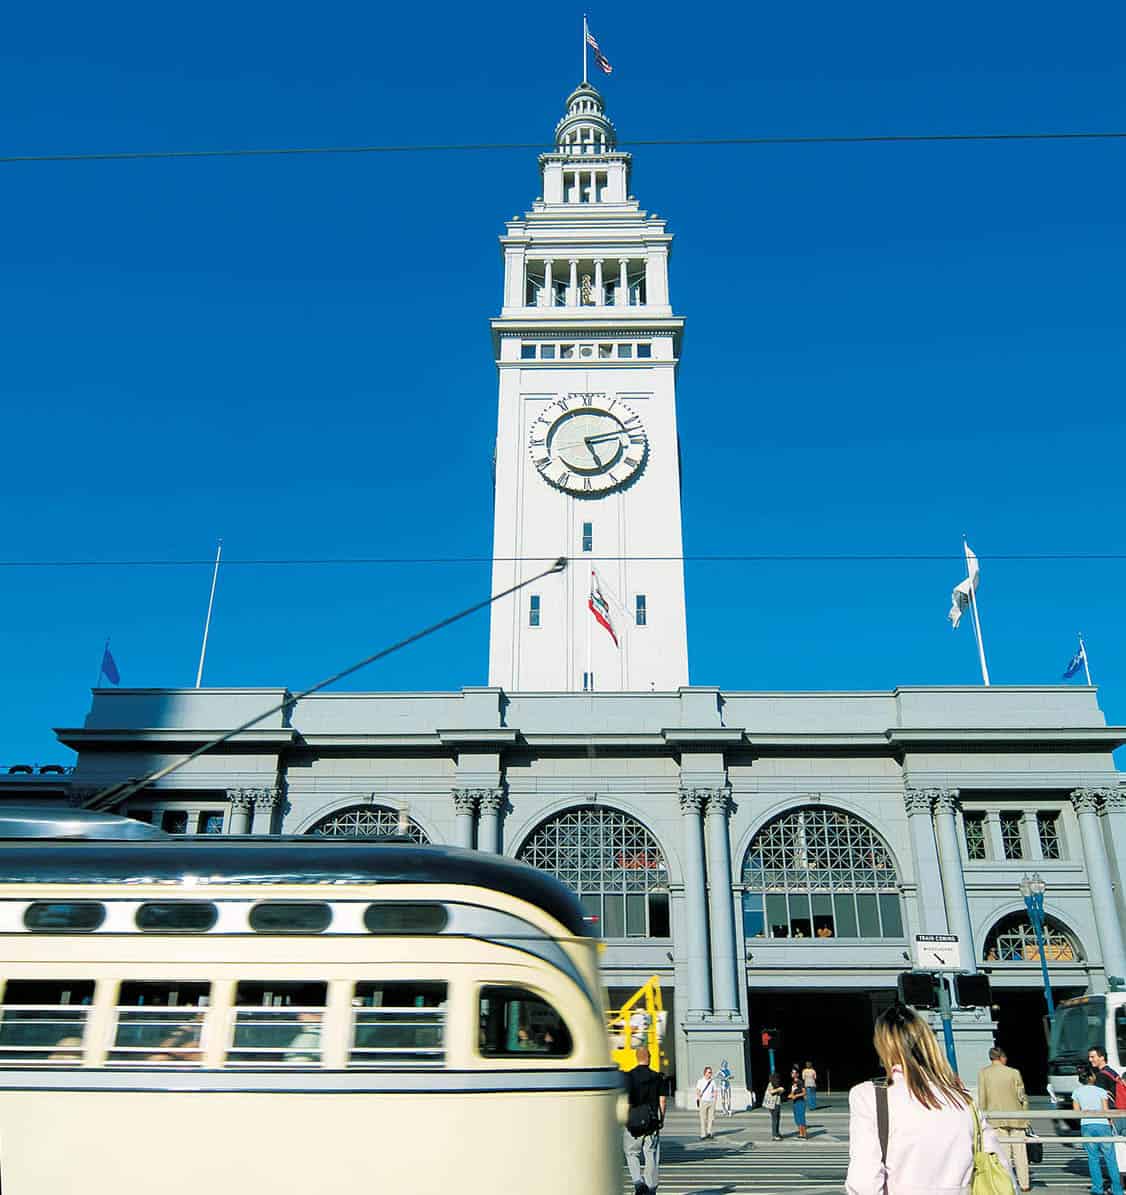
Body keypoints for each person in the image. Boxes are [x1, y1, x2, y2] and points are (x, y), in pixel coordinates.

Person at [845, 1003, 1013, 1194]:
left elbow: (864, 1181)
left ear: (884, 1047)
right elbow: (1001, 1168)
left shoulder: (869, 1096)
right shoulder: (964, 1100)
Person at [977, 1047, 1030, 1192]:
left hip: (995, 1119)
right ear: (1001, 1057)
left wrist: (983, 1118)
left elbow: (982, 1098)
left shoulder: (983, 1073)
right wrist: (1025, 1114)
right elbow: (1021, 1096)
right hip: (1016, 1117)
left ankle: (1007, 1182)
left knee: (1004, 1154)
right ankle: (1025, 1184)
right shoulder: (1013, 1073)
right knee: (1020, 1153)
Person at [1073, 1065, 1124, 1195]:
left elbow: (1076, 1112)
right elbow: (1106, 1111)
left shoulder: (1077, 1092)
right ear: (1092, 1077)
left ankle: (1097, 1188)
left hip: (1087, 1126)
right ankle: (1117, 1190)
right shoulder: (1101, 1091)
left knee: (1093, 1158)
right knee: (1110, 1158)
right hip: (1103, 1125)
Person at [624, 1045, 666, 1195]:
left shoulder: (628, 1077)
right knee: (651, 1154)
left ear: (637, 1057)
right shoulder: (657, 1077)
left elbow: (626, 1101)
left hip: (634, 1120)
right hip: (652, 1121)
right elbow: (662, 1101)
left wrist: (626, 1118)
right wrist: (661, 1119)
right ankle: (650, 1188)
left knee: (631, 1153)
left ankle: (638, 1182)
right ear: (649, 1058)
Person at [696, 1065, 717, 1139]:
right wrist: (699, 1098)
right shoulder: (700, 1081)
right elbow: (698, 1090)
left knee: (711, 1118)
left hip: (711, 1102)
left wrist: (715, 1100)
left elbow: (715, 1091)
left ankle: (709, 1132)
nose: (710, 1074)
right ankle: (703, 1134)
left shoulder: (713, 1082)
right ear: (705, 1073)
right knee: (703, 1118)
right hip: (703, 1101)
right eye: (709, 1072)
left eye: (711, 1072)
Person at [765, 1070, 786, 1140]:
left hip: (777, 1103)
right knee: (775, 1119)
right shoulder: (771, 1084)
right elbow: (771, 1092)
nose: (778, 1079)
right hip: (772, 1104)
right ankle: (774, 1135)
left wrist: (781, 1091)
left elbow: (778, 1094)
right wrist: (779, 1089)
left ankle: (777, 1132)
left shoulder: (776, 1084)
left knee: (777, 1119)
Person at [789, 1064, 808, 1140]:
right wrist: (791, 1095)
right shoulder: (792, 1082)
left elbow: (804, 1092)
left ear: (797, 1074)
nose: (792, 1074)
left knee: (801, 1118)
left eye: (794, 1073)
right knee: (797, 1119)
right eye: (792, 1072)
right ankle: (800, 1134)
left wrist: (796, 1096)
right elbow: (792, 1093)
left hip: (800, 1102)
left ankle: (804, 1135)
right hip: (795, 1102)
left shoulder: (800, 1082)